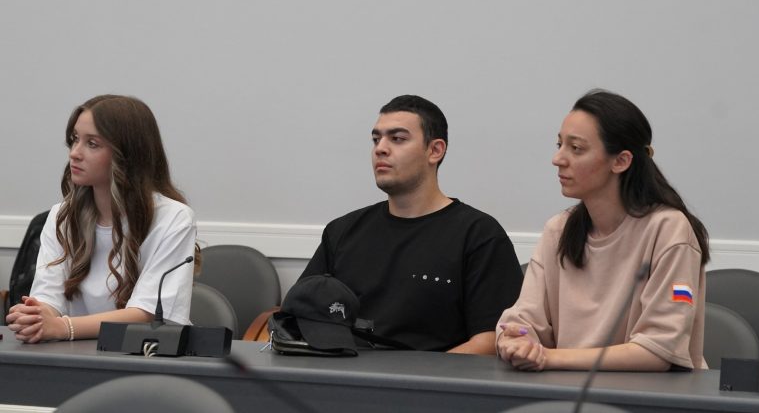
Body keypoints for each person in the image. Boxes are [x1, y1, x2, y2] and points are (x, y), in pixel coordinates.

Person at [497, 90, 710, 371]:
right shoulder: (558, 230)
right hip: (565, 388)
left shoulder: (669, 229)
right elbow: (522, 320)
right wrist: (516, 340)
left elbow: (659, 351)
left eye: (576, 148)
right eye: (559, 144)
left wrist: (548, 357)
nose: (558, 159)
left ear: (620, 161)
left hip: (651, 393)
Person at [300, 94, 523, 354]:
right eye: (376, 139)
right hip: (343, 372)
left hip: (434, 377)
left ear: (435, 151)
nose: (380, 149)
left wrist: (422, 376)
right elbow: (300, 316)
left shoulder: (479, 235)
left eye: (397, 139)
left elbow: (490, 340)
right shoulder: (342, 231)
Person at [5, 95, 197, 343]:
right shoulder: (61, 216)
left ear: (127, 155)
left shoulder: (174, 218)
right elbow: (48, 297)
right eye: (75, 139)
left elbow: (146, 314)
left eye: (92, 144)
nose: (75, 153)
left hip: (143, 355)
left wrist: (63, 327)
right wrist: (35, 316)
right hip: (71, 354)